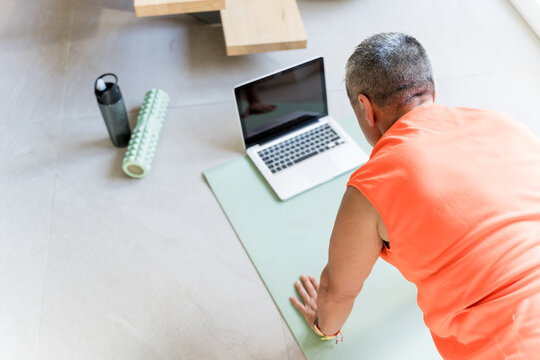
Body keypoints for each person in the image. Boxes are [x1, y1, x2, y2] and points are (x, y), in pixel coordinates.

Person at [289, 32, 540, 359]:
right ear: (432, 90)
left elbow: (336, 292)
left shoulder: (372, 186)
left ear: (366, 108)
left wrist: (324, 326)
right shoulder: (508, 126)